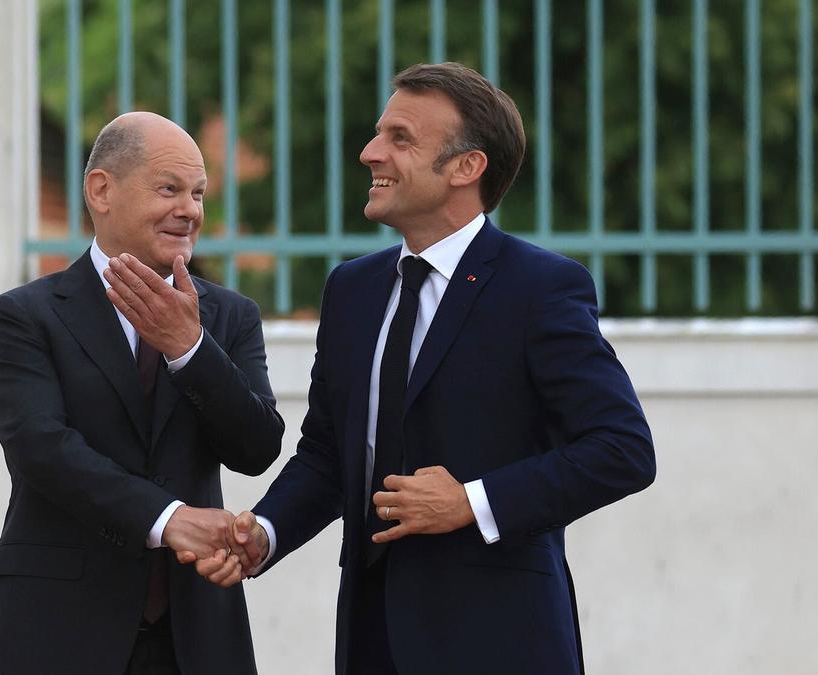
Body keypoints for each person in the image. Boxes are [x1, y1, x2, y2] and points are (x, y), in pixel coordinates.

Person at [196, 62, 656, 674]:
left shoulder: (540, 288)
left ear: (467, 168)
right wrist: (267, 531)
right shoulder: (351, 291)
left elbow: (623, 449)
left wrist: (472, 502)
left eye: (400, 139)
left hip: (501, 643)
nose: (370, 153)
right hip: (371, 640)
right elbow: (330, 456)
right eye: (378, 133)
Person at [0, 111, 284, 675]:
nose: (190, 210)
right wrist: (168, 517)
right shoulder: (26, 316)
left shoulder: (231, 317)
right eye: (169, 189)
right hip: (55, 629)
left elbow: (256, 449)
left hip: (196, 635)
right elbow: (41, 448)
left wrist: (189, 349)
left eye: (199, 194)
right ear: (102, 190)